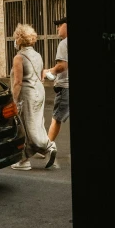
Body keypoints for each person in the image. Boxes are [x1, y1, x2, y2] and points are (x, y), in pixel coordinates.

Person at [10, 24, 57, 170]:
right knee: (37, 124)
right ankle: (25, 159)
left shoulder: (19, 57)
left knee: (26, 126)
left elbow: (18, 82)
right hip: (39, 91)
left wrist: (14, 100)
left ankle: (47, 146)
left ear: (19, 39)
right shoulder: (37, 55)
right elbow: (41, 75)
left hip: (27, 94)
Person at [42, 16, 69, 154]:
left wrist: (49, 71)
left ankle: (46, 148)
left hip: (65, 87)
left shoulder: (64, 43)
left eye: (60, 25)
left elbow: (62, 66)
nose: (58, 28)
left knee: (56, 118)